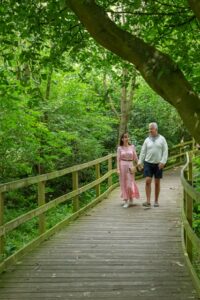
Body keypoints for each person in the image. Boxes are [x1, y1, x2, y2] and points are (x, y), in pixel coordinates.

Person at [138, 122, 168, 208]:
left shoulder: (162, 139)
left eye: (151, 129)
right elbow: (143, 152)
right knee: (148, 181)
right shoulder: (147, 140)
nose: (150, 130)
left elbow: (165, 151)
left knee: (157, 183)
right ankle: (148, 201)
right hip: (148, 163)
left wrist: (163, 161)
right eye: (149, 129)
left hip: (159, 164)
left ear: (156, 129)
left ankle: (156, 201)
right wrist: (140, 162)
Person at [117, 132, 140, 208]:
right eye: (125, 137)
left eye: (127, 137)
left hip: (130, 166)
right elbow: (118, 160)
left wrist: (139, 164)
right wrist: (118, 169)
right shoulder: (119, 148)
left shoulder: (132, 147)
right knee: (123, 183)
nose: (126, 139)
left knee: (130, 184)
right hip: (122, 165)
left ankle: (131, 197)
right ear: (122, 139)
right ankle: (126, 200)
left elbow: (136, 157)